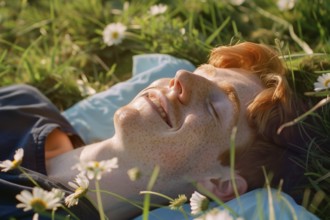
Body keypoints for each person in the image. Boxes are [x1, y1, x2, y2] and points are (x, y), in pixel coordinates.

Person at [0, 42, 318, 219]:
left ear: (220, 182)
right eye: (200, 72)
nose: (180, 77)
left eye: (215, 107)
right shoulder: (22, 106)